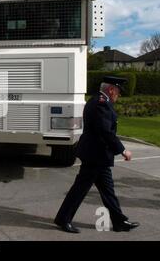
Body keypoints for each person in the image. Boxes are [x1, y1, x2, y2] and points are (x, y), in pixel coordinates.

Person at [54, 76, 140, 234]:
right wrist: (122, 150)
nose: (118, 95)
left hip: (98, 156)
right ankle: (63, 219)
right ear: (111, 89)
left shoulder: (99, 100)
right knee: (80, 190)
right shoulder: (101, 104)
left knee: (108, 191)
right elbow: (105, 131)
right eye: (118, 91)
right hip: (95, 156)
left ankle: (119, 222)